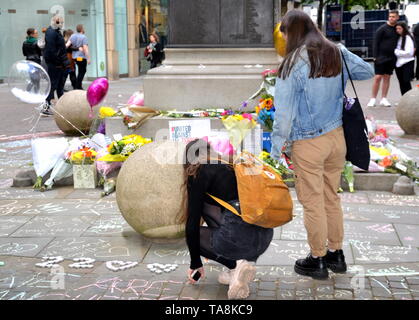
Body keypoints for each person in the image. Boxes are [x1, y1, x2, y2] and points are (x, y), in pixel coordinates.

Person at [271, 10, 374, 280]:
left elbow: (283, 113)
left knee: (313, 202)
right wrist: (341, 53)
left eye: (283, 33)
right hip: (337, 138)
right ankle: (336, 254)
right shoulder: (335, 51)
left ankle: (316, 258)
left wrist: (275, 148)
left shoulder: (292, 64)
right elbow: (367, 70)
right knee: (331, 196)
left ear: (290, 32)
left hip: (308, 142)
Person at [181, 139, 273, 299]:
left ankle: (235, 264)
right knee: (218, 208)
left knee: (194, 235)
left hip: (239, 236)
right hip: (264, 236)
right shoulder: (230, 163)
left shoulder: (198, 172)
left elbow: (192, 225)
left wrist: (195, 263)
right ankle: (236, 271)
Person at [367, 10, 399, 107]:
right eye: (390, 16)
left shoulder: (398, 29)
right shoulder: (382, 29)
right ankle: (372, 99)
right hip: (380, 57)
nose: (391, 18)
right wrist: (375, 56)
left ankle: (384, 99)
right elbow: (375, 42)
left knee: (387, 77)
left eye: (393, 16)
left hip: (392, 58)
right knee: (377, 77)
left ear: (397, 17)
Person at [43, 14, 70, 116]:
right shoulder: (51, 32)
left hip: (60, 63)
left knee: (59, 86)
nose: (61, 24)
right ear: (53, 21)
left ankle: (61, 107)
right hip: (55, 64)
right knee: (53, 85)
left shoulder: (56, 32)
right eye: (58, 22)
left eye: (62, 22)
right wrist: (57, 61)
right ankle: (45, 106)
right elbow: (51, 49)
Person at [394, 22, 415, 95]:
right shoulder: (399, 37)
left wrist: (397, 52)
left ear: (404, 28)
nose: (397, 30)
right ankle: (404, 99)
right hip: (399, 64)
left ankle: (409, 99)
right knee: (401, 83)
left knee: (406, 82)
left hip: (407, 63)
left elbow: (409, 52)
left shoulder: (408, 38)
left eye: (399, 28)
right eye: (396, 28)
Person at [67, 24, 90, 90]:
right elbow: (85, 48)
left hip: (75, 57)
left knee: (80, 71)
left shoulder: (72, 36)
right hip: (81, 57)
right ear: (82, 29)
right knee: (82, 71)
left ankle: (78, 86)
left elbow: (67, 45)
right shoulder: (84, 37)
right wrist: (88, 58)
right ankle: (77, 86)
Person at [22, 28, 42, 93]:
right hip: (36, 61)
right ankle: (36, 93)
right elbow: (40, 53)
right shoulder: (37, 42)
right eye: (36, 33)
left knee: (32, 78)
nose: (37, 34)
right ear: (31, 34)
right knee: (37, 79)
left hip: (29, 61)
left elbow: (24, 53)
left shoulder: (24, 43)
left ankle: (27, 91)